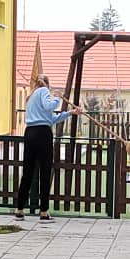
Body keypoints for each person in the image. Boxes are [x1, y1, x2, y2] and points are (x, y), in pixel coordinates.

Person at [14, 74, 83, 222]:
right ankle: (44, 211)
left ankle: (19, 210)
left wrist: (70, 113)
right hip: (43, 134)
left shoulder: (31, 97)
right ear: (47, 84)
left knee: (27, 173)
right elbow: (49, 107)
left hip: (30, 133)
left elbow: (51, 118)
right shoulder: (44, 91)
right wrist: (57, 98)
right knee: (45, 172)